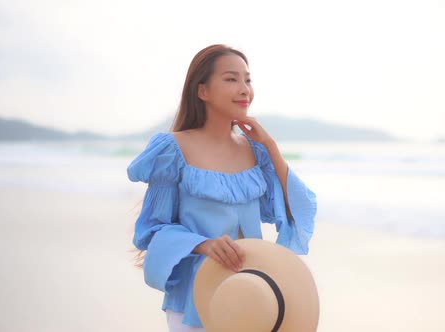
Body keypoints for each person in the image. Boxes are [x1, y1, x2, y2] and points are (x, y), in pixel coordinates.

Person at [127, 44, 317, 331]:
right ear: (202, 91)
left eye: (247, 80)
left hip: (254, 294)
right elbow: (151, 230)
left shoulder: (257, 151)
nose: (244, 89)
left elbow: (297, 211)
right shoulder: (172, 150)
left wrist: (271, 147)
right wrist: (203, 244)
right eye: (231, 79)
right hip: (198, 297)